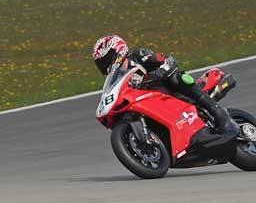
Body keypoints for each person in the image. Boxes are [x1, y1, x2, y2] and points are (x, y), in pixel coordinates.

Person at [92, 34, 230, 132]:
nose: (103, 66)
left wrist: (158, 73)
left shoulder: (138, 55)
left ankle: (215, 110)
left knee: (177, 78)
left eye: (105, 60)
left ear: (117, 50)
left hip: (165, 88)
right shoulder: (116, 77)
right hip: (148, 101)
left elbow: (168, 60)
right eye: (100, 64)